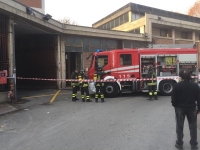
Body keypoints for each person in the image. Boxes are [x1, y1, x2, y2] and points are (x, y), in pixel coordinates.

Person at [171, 69, 200, 150]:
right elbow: (199, 98)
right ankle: (194, 145)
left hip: (180, 108)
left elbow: (173, 99)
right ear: (190, 76)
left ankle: (179, 144)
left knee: (179, 126)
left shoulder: (177, 86)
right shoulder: (195, 86)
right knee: (193, 127)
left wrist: (176, 106)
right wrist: (199, 108)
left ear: (181, 77)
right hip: (192, 108)